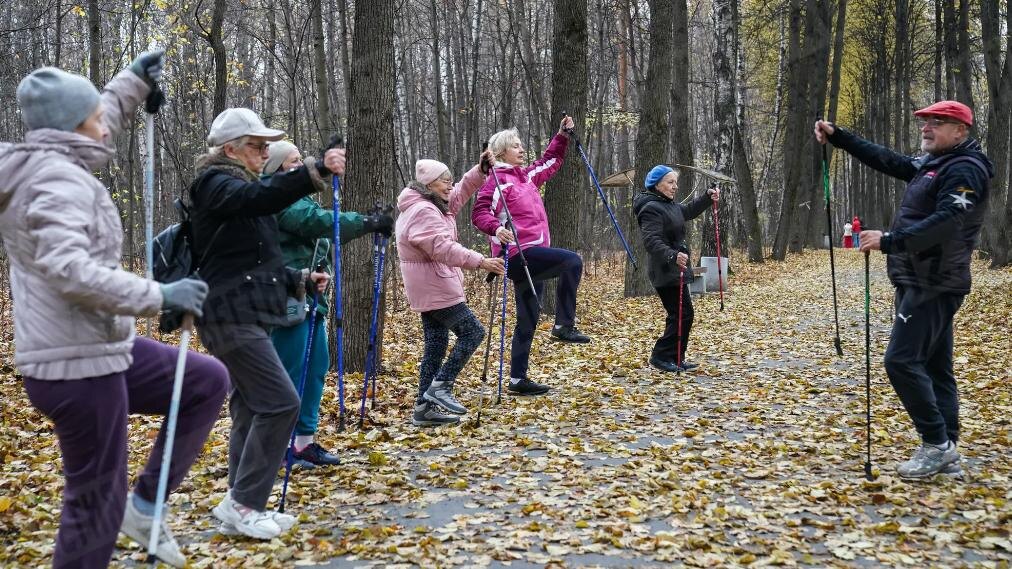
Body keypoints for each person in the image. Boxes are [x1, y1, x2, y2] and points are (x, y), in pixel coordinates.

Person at [0, 55, 229, 568]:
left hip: (102, 347)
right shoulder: (57, 182)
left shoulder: (52, 156)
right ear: (76, 126)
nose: (106, 121)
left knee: (204, 380)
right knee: (94, 505)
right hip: (75, 367)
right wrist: (159, 296)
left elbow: (91, 112)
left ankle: (144, 507)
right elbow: (69, 271)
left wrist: (133, 83)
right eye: (96, 117)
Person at [814, 100, 992, 479]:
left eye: (938, 122)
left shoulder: (965, 169)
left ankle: (936, 445)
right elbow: (889, 160)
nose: (927, 128)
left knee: (900, 360)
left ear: (961, 130)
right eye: (925, 121)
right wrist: (840, 137)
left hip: (935, 281)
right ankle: (948, 450)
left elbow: (948, 221)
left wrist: (892, 240)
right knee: (935, 365)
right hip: (918, 278)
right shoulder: (935, 163)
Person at [188, 108, 340, 539]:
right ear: (230, 149)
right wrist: (313, 170)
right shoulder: (216, 183)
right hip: (227, 315)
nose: (264, 152)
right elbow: (257, 200)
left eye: (266, 145)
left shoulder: (239, 188)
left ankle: (237, 499)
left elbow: (245, 260)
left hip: (243, 309)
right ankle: (246, 502)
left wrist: (299, 279)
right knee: (280, 402)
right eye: (257, 146)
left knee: (251, 406)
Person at [261, 141, 393, 467]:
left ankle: (303, 443)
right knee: (293, 372)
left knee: (316, 366)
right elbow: (316, 222)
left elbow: (320, 227)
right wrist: (365, 223)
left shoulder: (298, 197)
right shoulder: (276, 197)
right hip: (286, 298)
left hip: (312, 299)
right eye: (293, 163)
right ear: (277, 169)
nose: (300, 167)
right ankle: (279, 446)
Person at [471, 116, 590, 397]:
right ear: (501, 153)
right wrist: (497, 228)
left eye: (521, 145)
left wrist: (561, 136)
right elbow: (479, 213)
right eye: (515, 146)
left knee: (528, 317)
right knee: (572, 261)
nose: (522, 149)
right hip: (518, 254)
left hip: (531, 259)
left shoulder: (525, 178)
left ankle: (517, 379)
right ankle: (563, 325)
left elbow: (550, 162)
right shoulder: (497, 181)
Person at [397, 153, 504, 426]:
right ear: (429, 183)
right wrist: (481, 261)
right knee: (472, 332)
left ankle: (424, 408)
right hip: (436, 285)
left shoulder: (430, 204)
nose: (450, 186)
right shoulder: (424, 211)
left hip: (428, 286)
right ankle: (441, 386)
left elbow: (458, 196)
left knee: (436, 344)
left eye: (451, 180)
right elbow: (442, 248)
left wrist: (479, 172)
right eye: (445, 181)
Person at [633, 166, 719, 373]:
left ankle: (676, 357)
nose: (675, 186)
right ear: (657, 184)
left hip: (676, 268)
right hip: (665, 268)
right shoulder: (651, 208)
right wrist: (672, 255)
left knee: (684, 314)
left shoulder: (668, 205)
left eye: (675, 182)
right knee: (680, 314)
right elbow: (651, 240)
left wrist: (707, 197)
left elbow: (688, 210)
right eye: (670, 182)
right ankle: (661, 356)